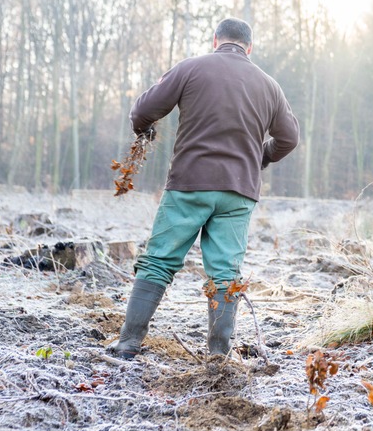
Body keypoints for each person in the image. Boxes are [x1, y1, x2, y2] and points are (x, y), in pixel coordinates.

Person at [114, 18, 300, 359]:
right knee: (226, 273)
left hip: (189, 184)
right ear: (250, 47)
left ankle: (127, 344)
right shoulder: (269, 85)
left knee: (158, 262)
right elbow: (289, 138)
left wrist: (145, 132)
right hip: (239, 191)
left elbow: (142, 110)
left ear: (215, 40)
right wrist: (262, 156)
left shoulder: (190, 69)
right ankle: (218, 355)